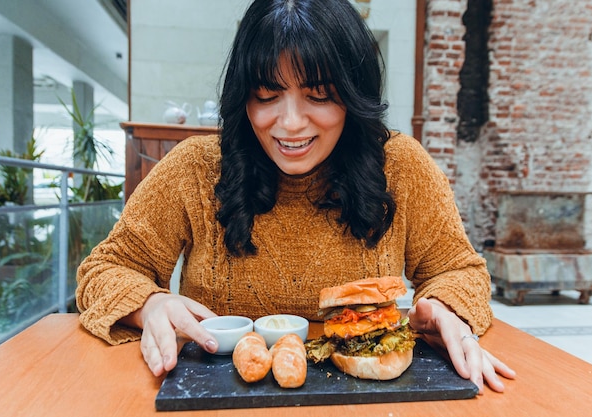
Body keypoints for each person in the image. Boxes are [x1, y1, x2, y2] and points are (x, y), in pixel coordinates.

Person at [76, 0, 515, 393]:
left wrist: (441, 307)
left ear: (353, 93)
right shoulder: (195, 167)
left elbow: (461, 270)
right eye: (267, 95)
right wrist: (150, 304)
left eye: (318, 94)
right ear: (243, 96)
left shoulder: (399, 164)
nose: (289, 123)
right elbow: (105, 270)